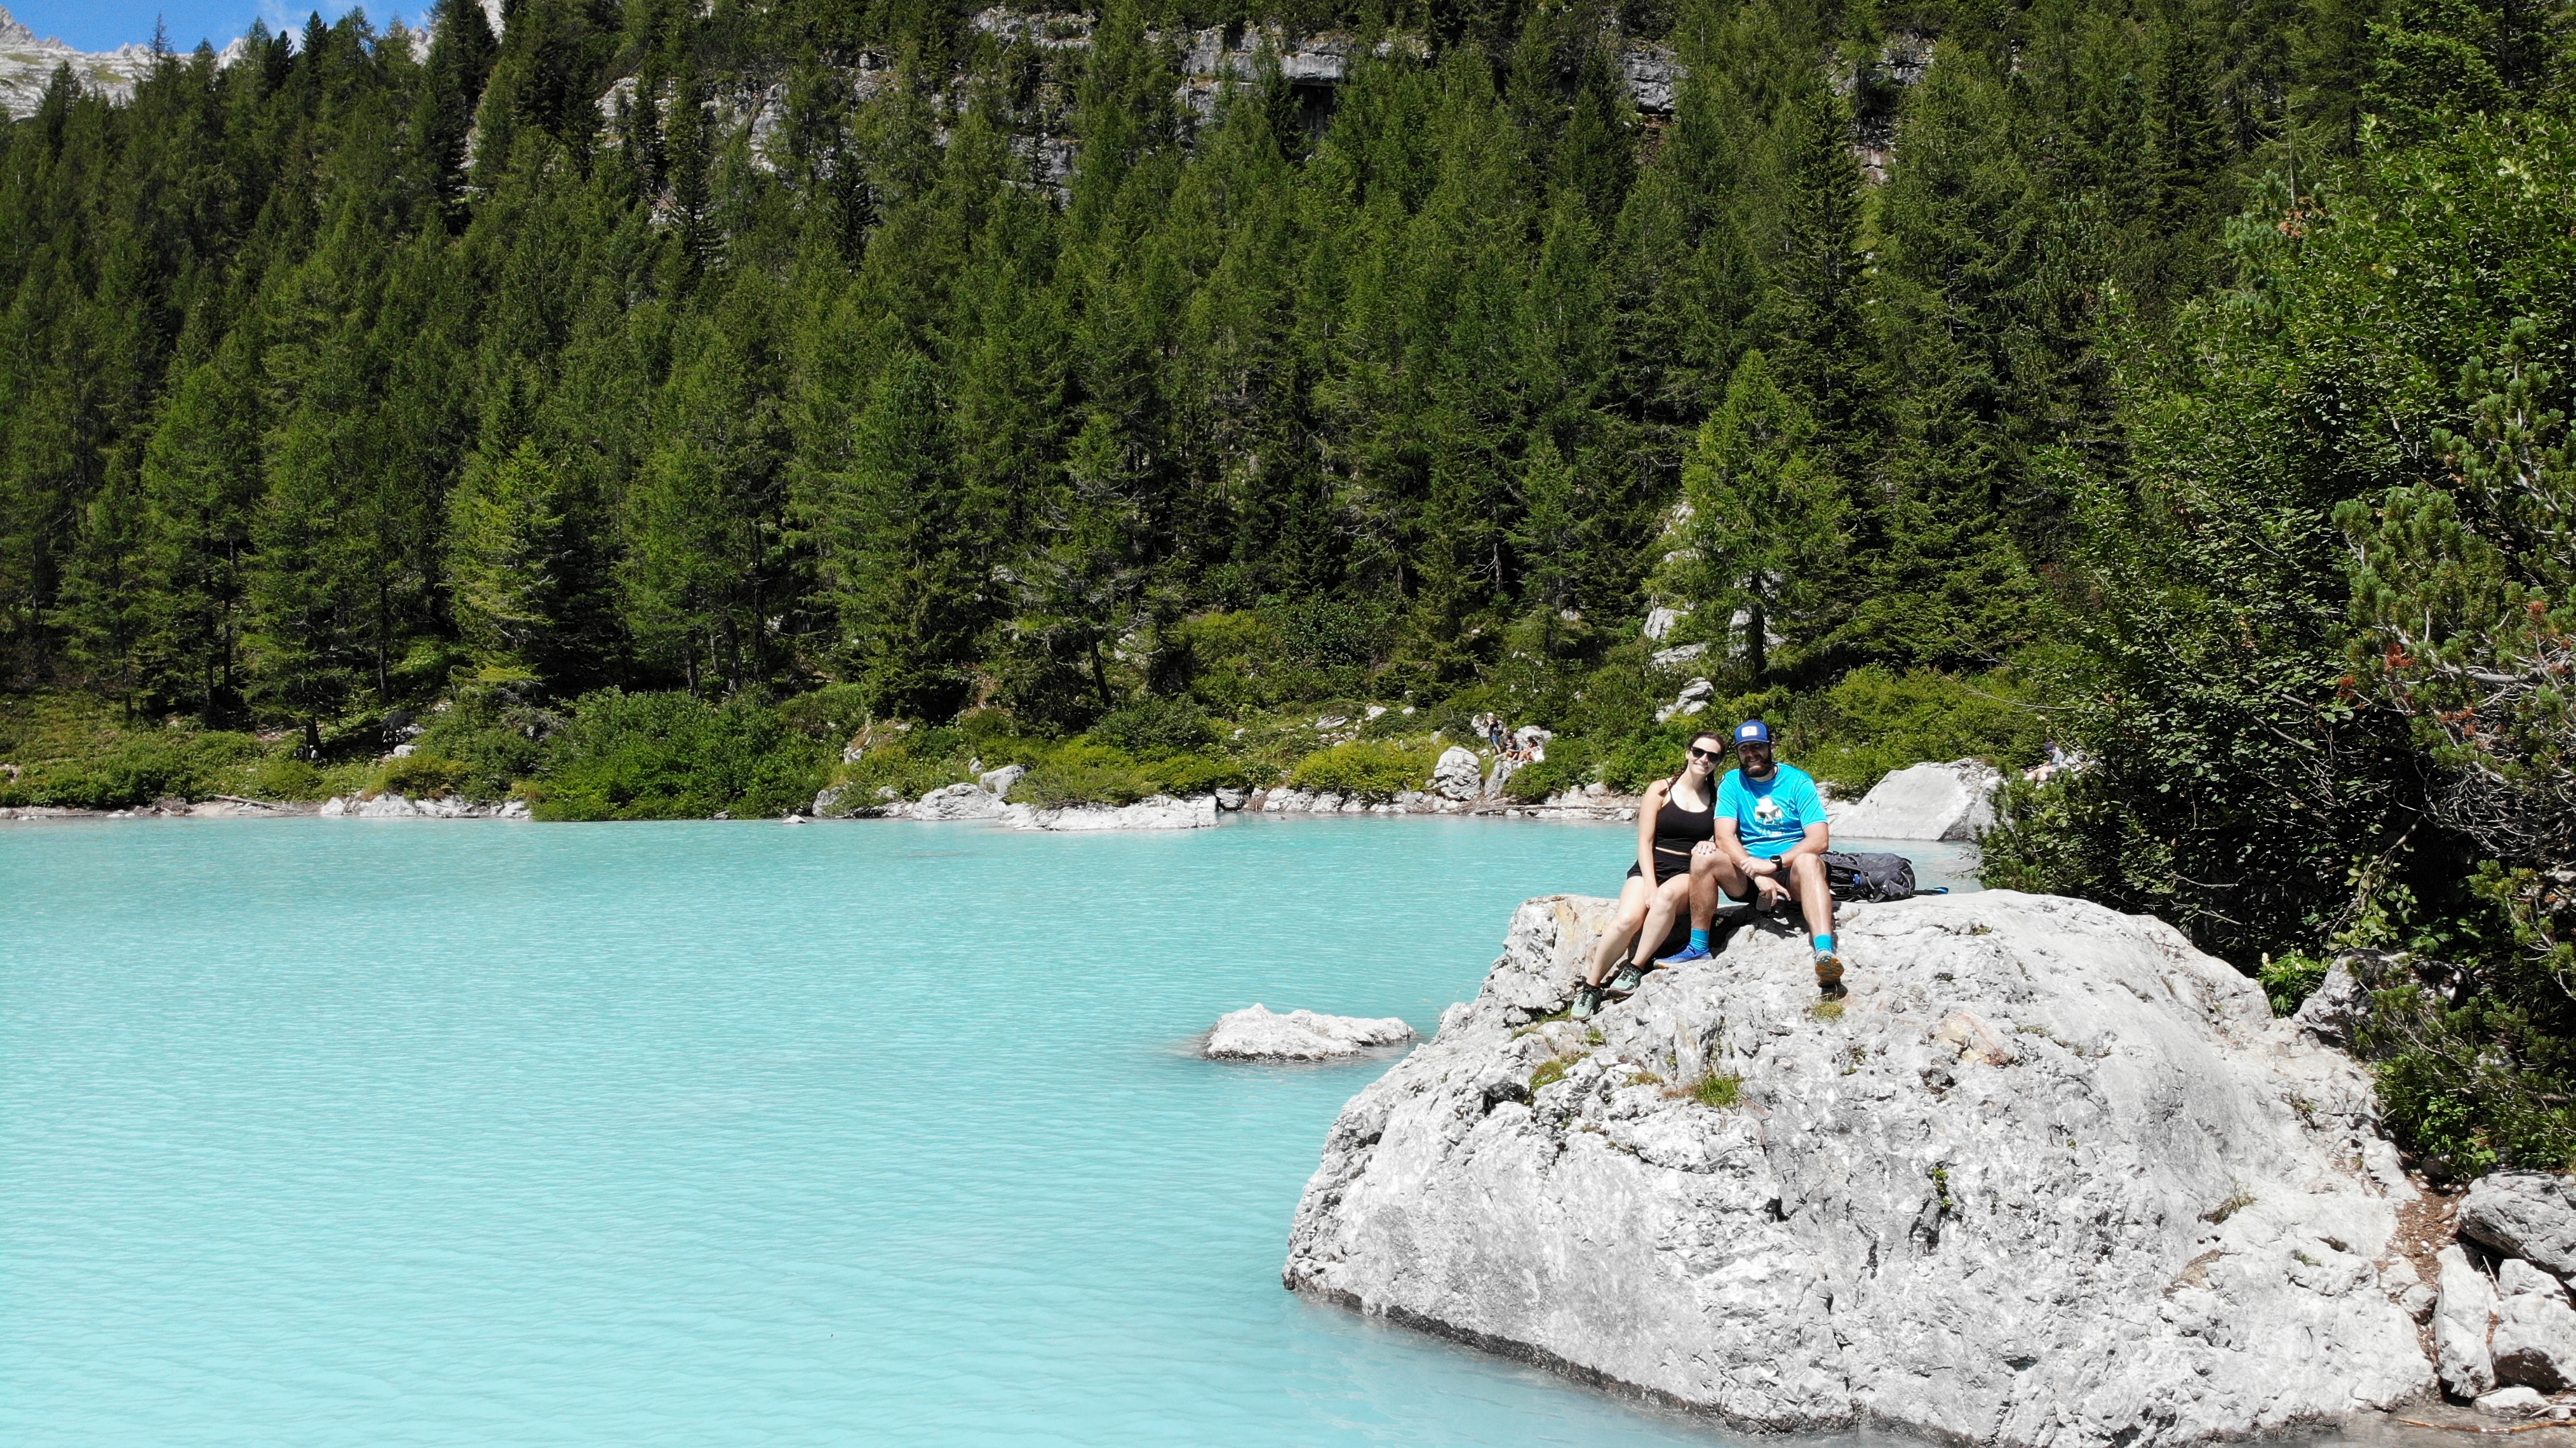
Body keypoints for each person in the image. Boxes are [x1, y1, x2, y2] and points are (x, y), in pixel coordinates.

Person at [1569, 730, 1729, 1020]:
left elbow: (1727, 837)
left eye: (1712, 756)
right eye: (1698, 752)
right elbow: (1644, 841)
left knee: (1666, 898)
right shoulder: (1661, 790)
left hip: (1688, 869)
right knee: (1628, 919)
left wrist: (1713, 843)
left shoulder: (1719, 799)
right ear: (1688, 752)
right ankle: (1591, 986)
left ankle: (1636, 967)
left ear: (1718, 762)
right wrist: (1649, 885)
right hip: (1651, 865)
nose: (1704, 760)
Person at [1708, 720, 1844, 998]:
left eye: (1757, 746)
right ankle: (1698, 946)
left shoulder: (1798, 781)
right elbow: (1724, 837)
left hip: (1790, 868)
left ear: (1771, 746)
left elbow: (1819, 840)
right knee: (1705, 858)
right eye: (1744, 749)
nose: (1751, 753)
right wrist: (1756, 873)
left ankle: (1824, 952)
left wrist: (1774, 864)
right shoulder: (1733, 782)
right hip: (1749, 871)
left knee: (1808, 860)